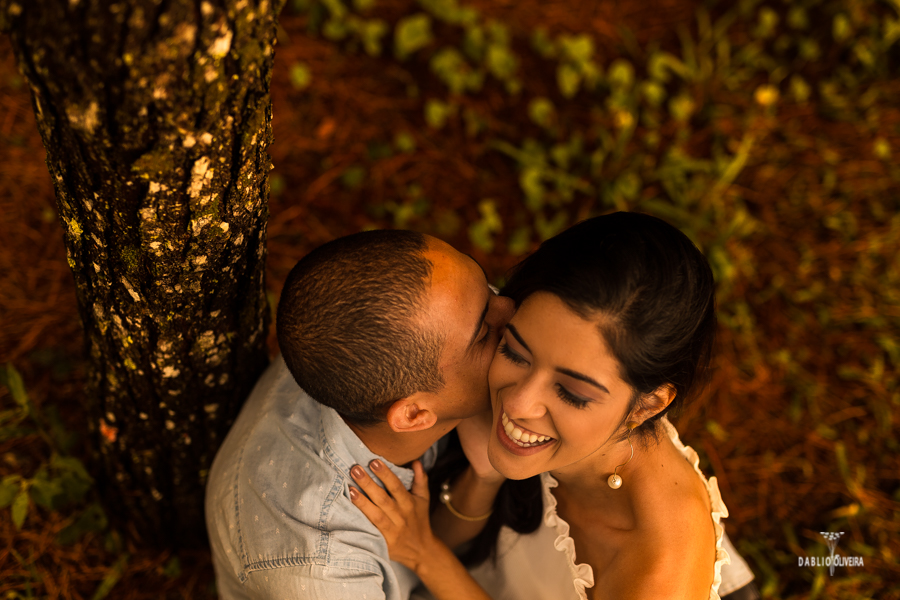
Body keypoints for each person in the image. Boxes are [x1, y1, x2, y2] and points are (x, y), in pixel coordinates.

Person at [349, 212, 758, 600]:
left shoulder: (657, 575)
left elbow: (428, 548)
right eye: (514, 350)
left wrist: (424, 554)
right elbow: (445, 537)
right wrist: (484, 477)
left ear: (647, 406)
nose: (519, 402)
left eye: (572, 393)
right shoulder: (539, 402)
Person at [205, 229, 514, 600]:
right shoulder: (324, 566)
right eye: (483, 333)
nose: (510, 308)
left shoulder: (355, 340)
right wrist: (426, 555)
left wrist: (484, 476)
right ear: (414, 415)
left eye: (487, 289)